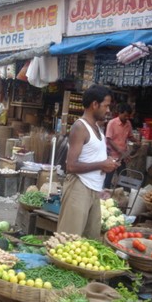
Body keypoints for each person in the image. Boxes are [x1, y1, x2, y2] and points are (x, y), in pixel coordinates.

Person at [57, 84, 119, 239]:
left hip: (93, 190)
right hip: (78, 187)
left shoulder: (97, 129)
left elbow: (92, 158)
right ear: (95, 105)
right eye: (106, 106)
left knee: (90, 240)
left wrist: (106, 163)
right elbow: (70, 166)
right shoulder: (80, 127)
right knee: (68, 240)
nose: (108, 110)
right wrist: (101, 164)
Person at [103, 103, 140, 189]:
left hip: (122, 156)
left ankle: (120, 194)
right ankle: (105, 195)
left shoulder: (128, 124)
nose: (127, 118)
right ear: (120, 113)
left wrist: (136, 141)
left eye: (128, 116)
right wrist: (120, 151)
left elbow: (130, 136)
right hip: (111, 155)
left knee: (123, 177)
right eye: (125, 116)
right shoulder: (112, 123)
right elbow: (109, 139)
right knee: (108, 178)